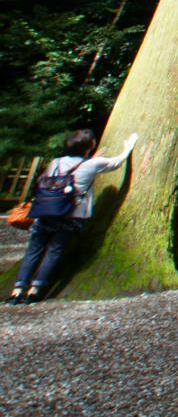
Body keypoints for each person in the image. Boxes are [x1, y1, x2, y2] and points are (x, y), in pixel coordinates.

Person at [8, 129, 138, 304]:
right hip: (70, 214)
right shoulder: (93, 164)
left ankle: (18, 290)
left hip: (45, 211)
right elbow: (116, 163)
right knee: (54, 251)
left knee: (34, 250)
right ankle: (35, 290)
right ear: (89, 146)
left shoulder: (56, 163)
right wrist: (128, 147)